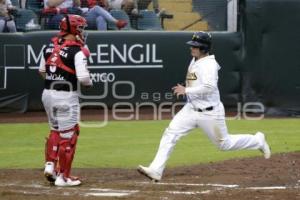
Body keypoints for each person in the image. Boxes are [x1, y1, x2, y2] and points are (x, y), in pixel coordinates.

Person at [137, 31, 271, 182]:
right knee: (170, 134)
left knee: (224, 144)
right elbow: (195, 80)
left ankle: (257, 141)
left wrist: (186, 90)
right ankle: (156, 170)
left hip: (209, 113)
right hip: (190, 110)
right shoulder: (195, 60)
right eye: (193, 45)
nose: (192, 48)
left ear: (204, 48)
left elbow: (209, 87)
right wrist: (186, 87)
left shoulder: (209, 65)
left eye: (195, 46)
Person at [39, 14, 93, 187]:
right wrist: (90, 82)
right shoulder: (77, 51)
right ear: (74, 29)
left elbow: (41, 71)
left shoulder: (48, 46)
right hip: (66, 96)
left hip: (47, 94)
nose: (82, 31)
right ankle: (64, 177)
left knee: (55, 130)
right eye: (81, 27)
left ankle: (50, 165)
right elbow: (84, 79)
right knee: (69, 136)